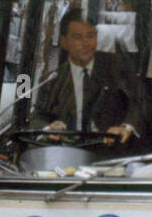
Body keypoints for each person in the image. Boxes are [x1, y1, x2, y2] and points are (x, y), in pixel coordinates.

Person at [30, 10, 142, 147]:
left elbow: (139, 102)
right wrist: (48, 129)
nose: (86, 43)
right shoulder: (52, 79)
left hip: (109, 151)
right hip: (66, 153)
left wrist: (126, 127)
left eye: (90, 36)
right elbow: (38, 117)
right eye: (77, 37)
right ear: (64, 42)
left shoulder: (116, 69)